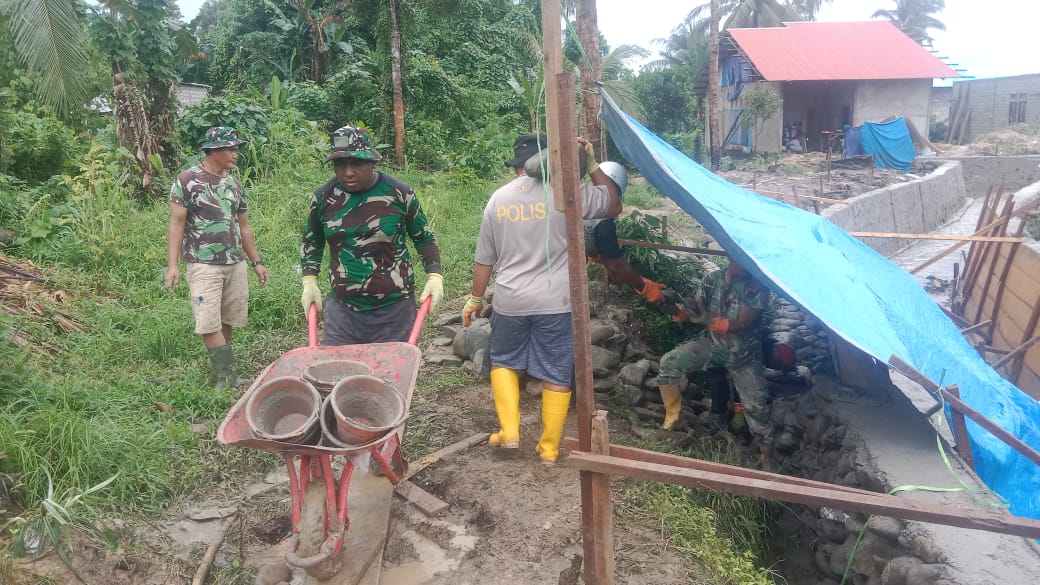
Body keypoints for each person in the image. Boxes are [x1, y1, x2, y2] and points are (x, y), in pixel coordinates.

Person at [463, 133, 621, 464]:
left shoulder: (498, 198)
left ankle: (509, 432)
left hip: (510, 301)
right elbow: (613, 204)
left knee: (504, 361)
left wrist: (475, 299)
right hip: (557, 301)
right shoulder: (568, 194)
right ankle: (548, 449)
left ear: (517, 166)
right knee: (556, 369)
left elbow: (484, 260)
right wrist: (591, 163)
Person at [299, 125, 444, 345]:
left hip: (394, 310)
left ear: (371, 162)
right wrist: (309, 280)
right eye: (340, 164)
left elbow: (423, 237)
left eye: (356, 163)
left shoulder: (399, 193)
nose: (348, 172)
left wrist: (435, 275)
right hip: (343, 312)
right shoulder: (323, 198)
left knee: (386, 375)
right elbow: (313, 241)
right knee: (336, 374)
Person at [165, 126, 269, 391]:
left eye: (236, 148)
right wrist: (173, 266)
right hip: (203, 264)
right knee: (208, 320)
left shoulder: (234, 184)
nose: (236, 154)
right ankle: (223, 377)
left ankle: (228, 375)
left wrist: (257, 262)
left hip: (234, 262)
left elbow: (243, 225)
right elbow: (176, 222)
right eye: (230, 148)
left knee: (227, 319)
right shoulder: (188, 180)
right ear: (213, 150)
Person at [656, 255, 775, 461]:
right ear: (731, 256)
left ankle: (767, 455)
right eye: (742, 258)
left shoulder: (759, 286)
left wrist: (708, 319)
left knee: (757, 408)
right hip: (713, 346)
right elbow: (698, 305)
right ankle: (673, 420)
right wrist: (678, 308)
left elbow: (742, 322)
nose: (748, 264)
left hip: (745, 356)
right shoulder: (712, 280)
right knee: (669, 362)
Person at [524, 156, 667, 304]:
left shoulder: (570, 197)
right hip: (555, 287)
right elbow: (616, 265)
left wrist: (596, 254)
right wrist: (644, 287)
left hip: (528, 275)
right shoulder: (603, 218)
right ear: (616, 190)